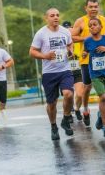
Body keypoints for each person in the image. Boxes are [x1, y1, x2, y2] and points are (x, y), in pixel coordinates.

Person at [30, 8, 75, 140]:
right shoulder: (41, 33)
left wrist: (70, 51)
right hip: (49, 73)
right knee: (52, 104)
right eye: (52, 15)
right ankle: (54, 126)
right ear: (46, 18)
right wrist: (44, 55)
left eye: (57, 15)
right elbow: (32, 52)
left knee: (68, 94)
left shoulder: (65, 31)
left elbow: (70, 43)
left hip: (64, 69)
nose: (55, 17)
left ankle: (66, 119)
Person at [71, 0, 105, 126]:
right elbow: (72, 37)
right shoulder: (80, 21)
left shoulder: (103, 20)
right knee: (87, 87)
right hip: (87, 60)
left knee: (104, 86)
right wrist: (86, 38)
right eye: (91, 7)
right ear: (86, 8)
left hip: (103, 59)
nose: (93, 9)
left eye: (95, 6)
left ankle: (102, 114)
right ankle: (85, 109)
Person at [62, 20, 84, 121]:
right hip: (65, 71)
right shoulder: (60, 42)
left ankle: (76, 109)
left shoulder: (77, 40)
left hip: (76, 70)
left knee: (79, 94)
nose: (68, 31)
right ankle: (68, 114)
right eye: (66, 29)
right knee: (68, 95)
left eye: (70, 29)